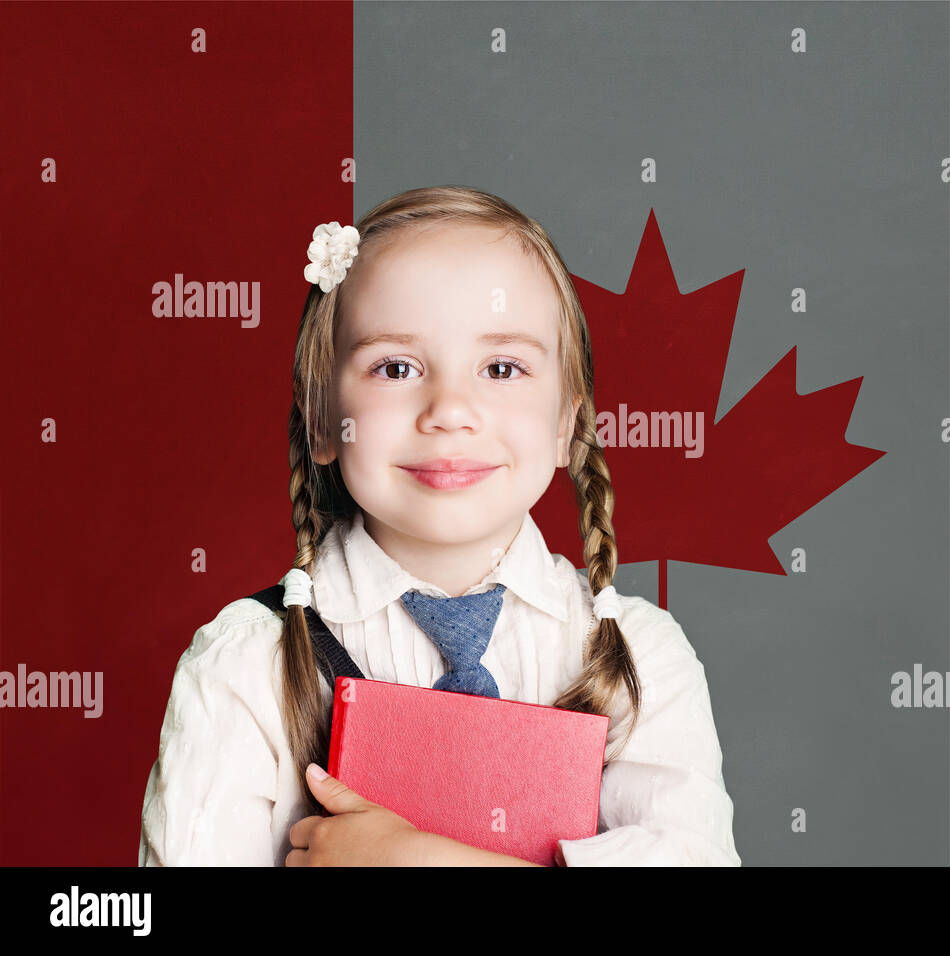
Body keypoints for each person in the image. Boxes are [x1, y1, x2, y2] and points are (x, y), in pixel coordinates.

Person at [137, 186, 741, 866]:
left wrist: (417, 861)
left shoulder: (640, 659)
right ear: (321, 421)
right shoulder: (246, 665)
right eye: (396, 368)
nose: (450, 410)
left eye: (502, 368)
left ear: (569, 422)